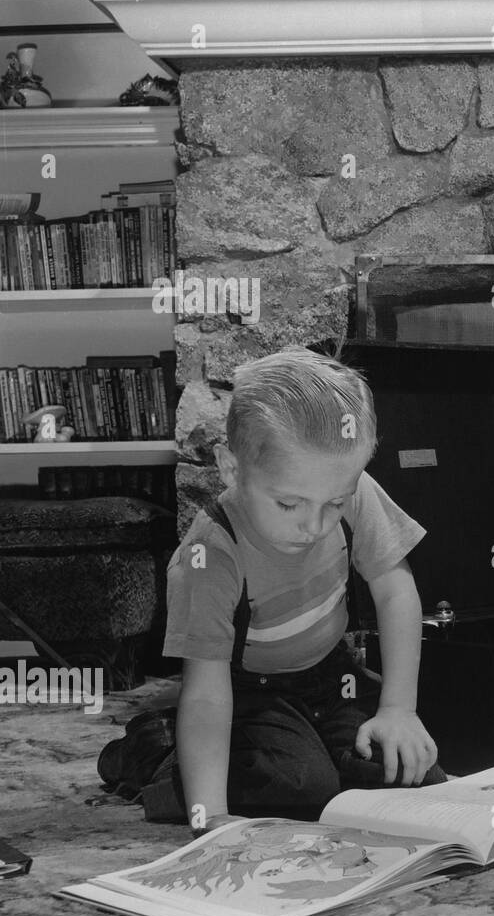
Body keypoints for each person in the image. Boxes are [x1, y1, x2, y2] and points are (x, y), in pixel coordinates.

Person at [157, 347, 442, 833]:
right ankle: (159, 756)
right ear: (230, 468)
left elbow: (395, 590)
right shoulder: (208, 557)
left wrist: (398, 709)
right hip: (246, 691)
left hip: (330, 677)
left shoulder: (347, 489)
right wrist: (211, 817)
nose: (314, 524)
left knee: (406, 767)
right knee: (301, 787)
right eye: (289, 504)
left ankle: (320, 748)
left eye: (335, 503)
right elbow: (206, 692)